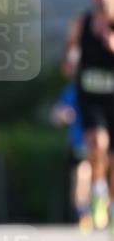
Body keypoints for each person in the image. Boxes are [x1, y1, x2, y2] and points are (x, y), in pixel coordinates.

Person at [63, 0, 114, 233]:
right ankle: (98, 193)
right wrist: (71, 60)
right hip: (90, 96)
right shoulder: (81, 22)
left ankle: (111, 204)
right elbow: (71, 52)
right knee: (97, 145)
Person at [50, 82, 91, 232]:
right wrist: (61, 115)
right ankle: (83, 214)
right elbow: (55, 116)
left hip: (101, 142)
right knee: (80, 177)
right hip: (79, 143)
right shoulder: (71, 90)